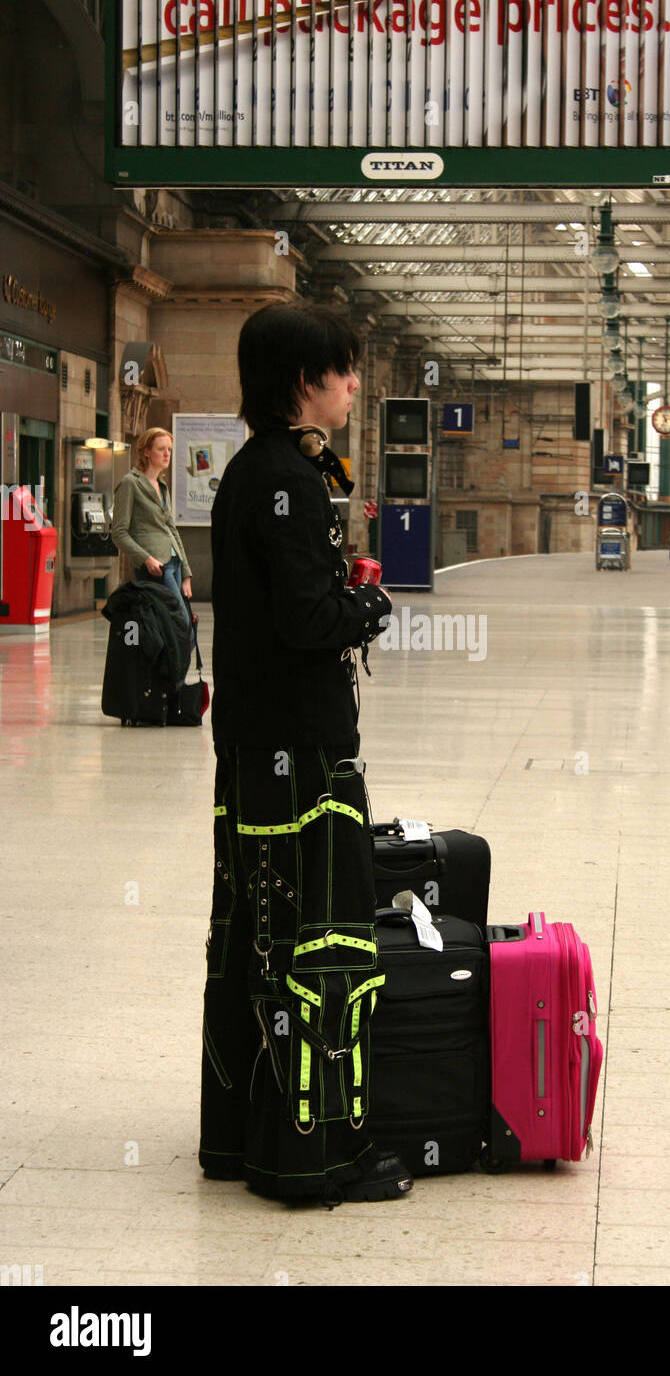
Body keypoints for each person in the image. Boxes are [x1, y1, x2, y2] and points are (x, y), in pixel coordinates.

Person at [198, 302, 411, 1205]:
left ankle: (244, 1140)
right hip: (300, 754)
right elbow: (306, 619)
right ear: (302, 382)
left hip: (258, 747)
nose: (355, 383)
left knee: (255, 939)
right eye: (342, 369)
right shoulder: (285, 480)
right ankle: (314, 1156)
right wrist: (368, 608)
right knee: (317, 942)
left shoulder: (263, 472)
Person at [111, 428, 193, 614]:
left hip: (174, 561)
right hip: (156, 565)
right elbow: (119, 532)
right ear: (146, 452)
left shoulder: (162, 486)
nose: (167, 454)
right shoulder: (130, 483)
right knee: (179, 619)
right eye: (161, 449)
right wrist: (145, 559)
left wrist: (186, 572)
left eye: (169, 449)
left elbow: (171, 528)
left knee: (175, 622)